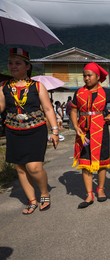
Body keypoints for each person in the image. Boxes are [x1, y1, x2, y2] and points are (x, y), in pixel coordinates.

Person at [0, 48, 59, 214]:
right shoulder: (4, 86)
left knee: (34, 167)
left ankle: (44, 193)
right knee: (20, 168)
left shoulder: (37, 86)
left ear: (27, 66)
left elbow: (48, 109)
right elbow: (1, 106)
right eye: (10, 63)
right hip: (13, 130)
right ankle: (32, 200)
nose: (13, 66)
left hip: (36, 130)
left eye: (17, 63)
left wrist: (54, 131)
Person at [70, 62, 110, 208]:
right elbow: (74, 110)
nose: (86, 78)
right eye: (84, 76)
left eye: (89, 75)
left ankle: (100, 189)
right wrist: (76, 127)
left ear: (97, 76)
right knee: (85, 161)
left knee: (102, 161)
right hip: (83, 131)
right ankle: (89, 194)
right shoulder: (78, 92)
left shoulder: (106, 92)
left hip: (100, 129)